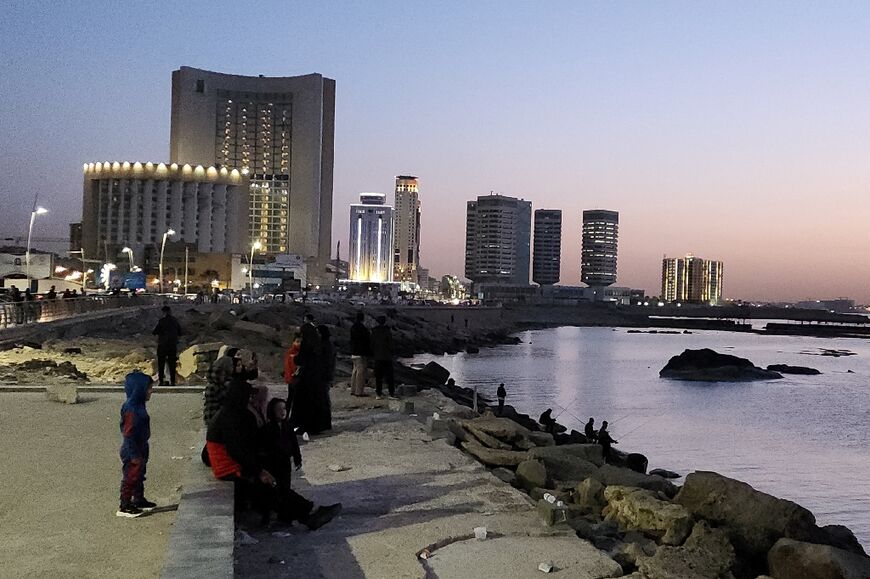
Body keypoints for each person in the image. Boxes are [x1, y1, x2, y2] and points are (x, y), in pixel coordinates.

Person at [206, 360, 340, 529]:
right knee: (270, 486)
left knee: (274, 475)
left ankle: (307, 512)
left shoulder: (229, 413)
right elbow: (236, 451)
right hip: (230, 470)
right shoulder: (230, 418)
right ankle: (308, 514)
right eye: (248, 397)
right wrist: (259, 471)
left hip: (234, 467)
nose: (250, 400)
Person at [117, 371, 155, 517]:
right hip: (132, 448)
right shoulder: (131, 408)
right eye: (148, 389)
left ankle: (138, 499)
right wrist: (134, 455)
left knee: (139, 474)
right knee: (131, 475)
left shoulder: (139, 405)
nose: (151, 392)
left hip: (140, 445)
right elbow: (128, 433)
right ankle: (125, 504)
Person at [152, 305, 183, 386]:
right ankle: (172, 381)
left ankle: (161, 380)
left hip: (162, 345)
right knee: (172, 363)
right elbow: (180, 332)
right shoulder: (175, 320)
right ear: (170, 311)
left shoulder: (161, 321)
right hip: (172, 345)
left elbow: (155, 331)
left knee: (161, 363)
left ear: (163, 312)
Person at [370, 315, 396, 399]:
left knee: (378, 376)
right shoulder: (387, 331)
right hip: (387, 357)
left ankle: (378, 393)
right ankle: (391, 393)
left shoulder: (374, 331)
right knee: (390, 376)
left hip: (377, 356)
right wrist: (392, 352)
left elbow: (371, 344)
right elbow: (391, 344)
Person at [349, 311, 371, 396]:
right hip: (360, 353)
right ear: (363, 318)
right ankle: (359, 391)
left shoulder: (353, 327)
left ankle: (353, 389)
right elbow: (366, 340)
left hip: (353, 351)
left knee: (354, 371)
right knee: (360, 372)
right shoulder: (362, 328)